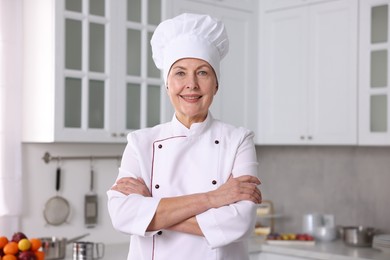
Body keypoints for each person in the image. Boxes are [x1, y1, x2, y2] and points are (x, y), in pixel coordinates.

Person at [107, 13, 262, 260]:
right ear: (167, 84)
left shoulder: (239, 140)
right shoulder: (140, 143)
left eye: (202, 73)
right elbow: (122, 216)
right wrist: (215, 198)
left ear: (216, 85)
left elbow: (240, 223)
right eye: (180, 73)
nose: (191, 84)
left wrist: (151, 209)